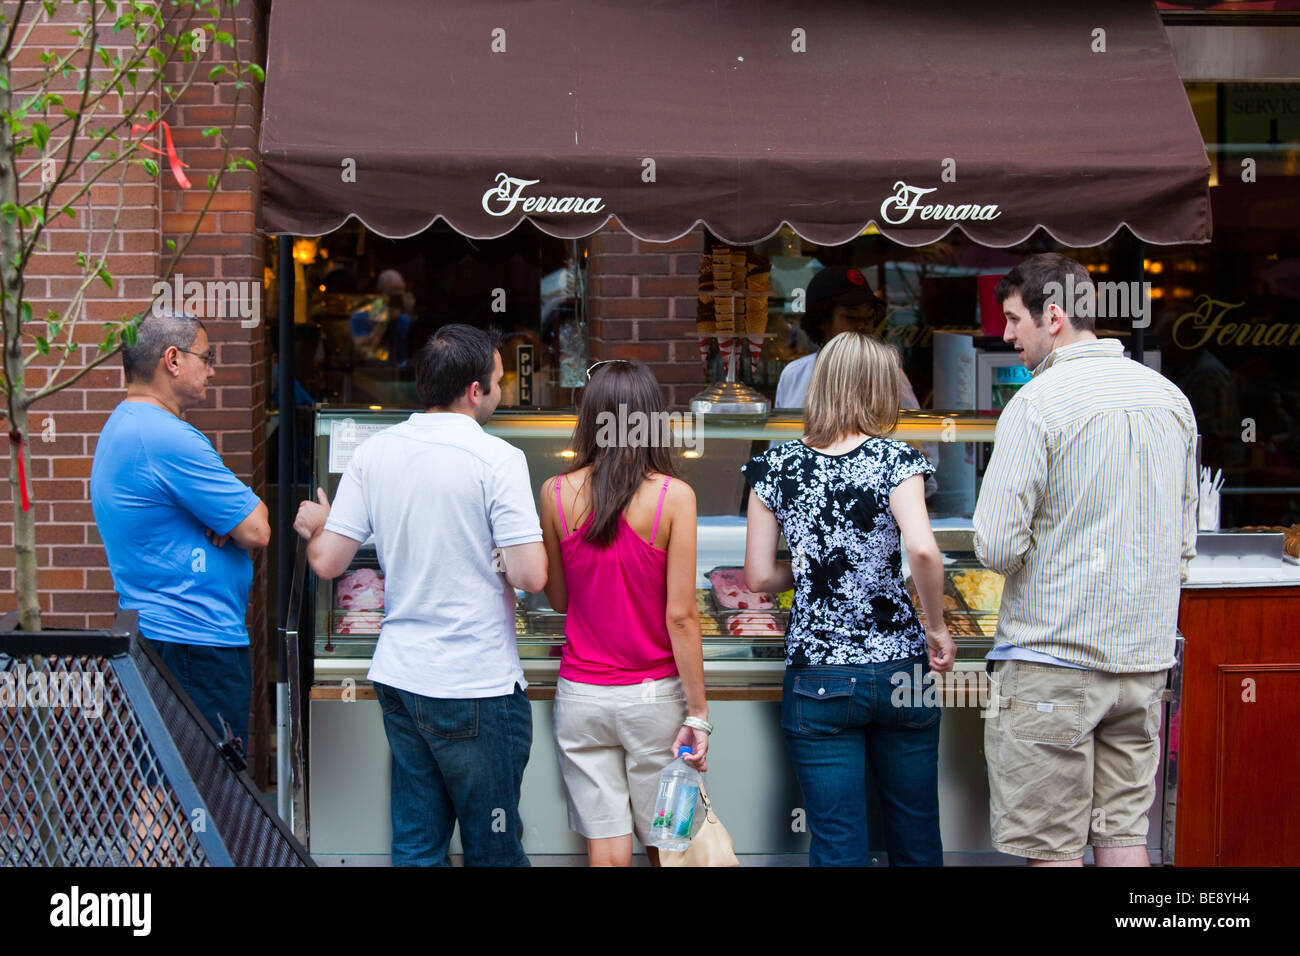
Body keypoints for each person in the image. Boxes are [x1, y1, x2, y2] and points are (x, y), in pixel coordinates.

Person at [974, 252, 1198, 867]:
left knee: (1052, 849)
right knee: (1124, 836)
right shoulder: (1171, 399)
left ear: (1053, 316)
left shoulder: (1036, 403)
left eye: (1014, 319)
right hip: (1143, 664)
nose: (1006, 334)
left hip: (1054, 661)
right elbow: (1185, 538)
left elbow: (994, 544)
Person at [294, 324, 548, 867]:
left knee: (416, 844)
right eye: (500, 382)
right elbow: (531, 576)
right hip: (476, 684)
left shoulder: (374, 453)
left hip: (401, 679)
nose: (502, 391)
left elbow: (327, 563)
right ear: (475, 392)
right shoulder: (498, 459)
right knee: (495, 847)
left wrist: (318, 524)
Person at [742, 331, 955, 867]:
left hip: (818, 676)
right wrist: (937, 627)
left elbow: (759, 576)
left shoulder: (777, 465)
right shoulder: (895, 458)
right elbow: (924, 552)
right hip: (900, 670)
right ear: (880, 388)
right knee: (916, 831)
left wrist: (814, 562)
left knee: (837, 840)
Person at [537, 360, 709, 867]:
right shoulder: (675, 497)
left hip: (581, 698)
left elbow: (561, 600)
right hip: (655, 700)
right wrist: (699, 716)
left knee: (606, 851)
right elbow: (681, 616)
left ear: (590, 417)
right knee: (669, 845)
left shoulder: (554, 492)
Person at [91, 310, 270, 751]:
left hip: (166, 638)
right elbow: (257, 529)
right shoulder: (167, 437)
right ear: (172, 360)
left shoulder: (125, 424)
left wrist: (229, 517)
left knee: (165, 787)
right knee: (202, 794)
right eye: (206, 358)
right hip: (194, 644)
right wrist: (238, 516)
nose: (212, 369)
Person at [775, 265, 936, 495]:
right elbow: (780, 450)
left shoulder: (890, 375)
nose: (862, 327)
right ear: (821, 320)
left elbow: (922, 447)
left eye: (868, 319)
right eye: (851, 318)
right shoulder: (794, 375)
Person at [349, 268, 412, 365]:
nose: (395, 301)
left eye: (399, 296)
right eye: (392, 295)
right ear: (380, 293)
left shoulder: (404, 319)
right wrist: (383, 320)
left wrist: (410, 311)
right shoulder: (360, 317)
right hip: (372, 371)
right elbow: (361, 350)